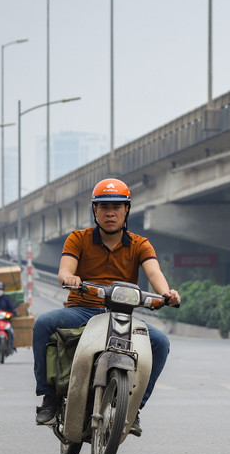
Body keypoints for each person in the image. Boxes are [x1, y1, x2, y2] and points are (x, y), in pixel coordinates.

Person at [32, 178, 181, 435]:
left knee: (161, 343)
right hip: (81, 310)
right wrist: (70, 277)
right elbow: (65, 270)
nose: (110, 212)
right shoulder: (78, 238)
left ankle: (134, 409)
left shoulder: (140, 244)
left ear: (127, 211)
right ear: (95, 211)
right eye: (103, 207)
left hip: (121, 313)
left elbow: (155, 273)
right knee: (43, 323)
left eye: (117, 206)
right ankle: (50, 399)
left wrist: (166, 293)